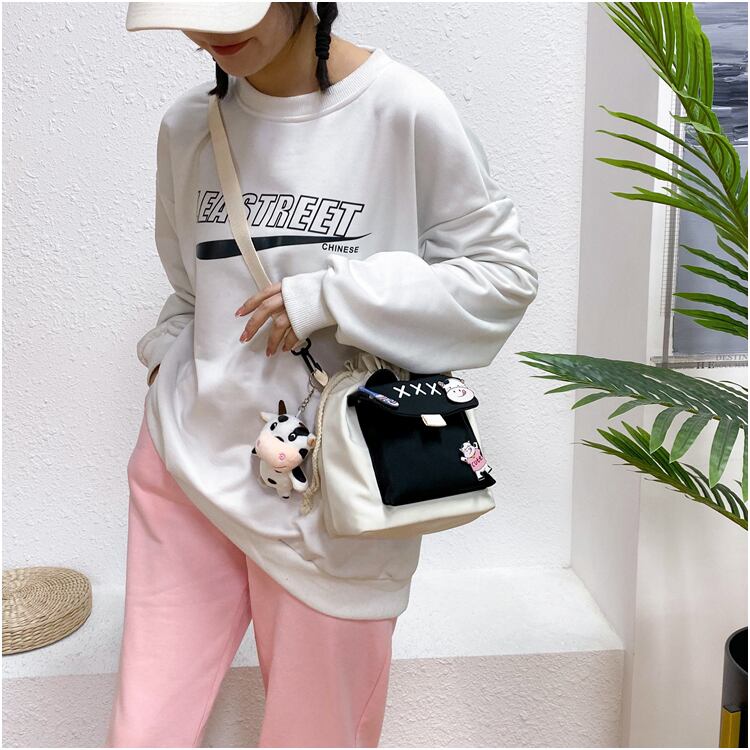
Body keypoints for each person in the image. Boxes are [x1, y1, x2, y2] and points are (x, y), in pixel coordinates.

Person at [106, 2, 540, 747]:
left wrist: (333, 297)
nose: (210, 31)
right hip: (185, 469)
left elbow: (502, 280)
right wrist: (163, 360)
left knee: (316, 736)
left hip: (334, 499)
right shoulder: (188, 126)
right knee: (143, 733)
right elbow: (190, 292)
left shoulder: (402, 109)